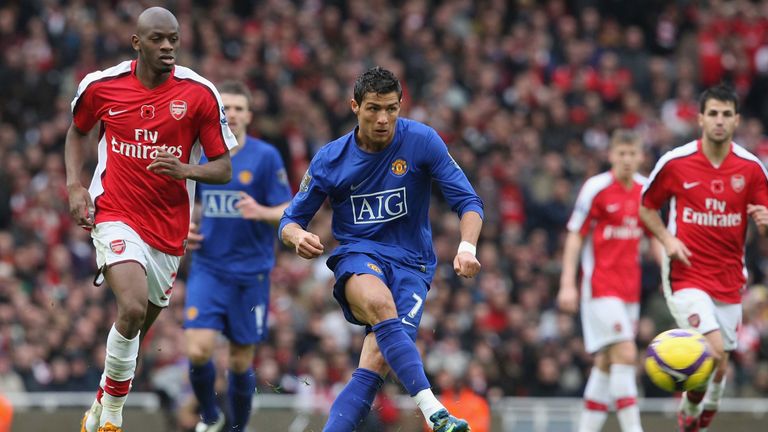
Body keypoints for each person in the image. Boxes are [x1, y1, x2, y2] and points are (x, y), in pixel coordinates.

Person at [279, 66, 483, 432]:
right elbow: (290, 220)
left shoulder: (423, 141)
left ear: (401, 105)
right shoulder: (330, 159)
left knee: (374, 362)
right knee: (379, 303)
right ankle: (434, 410)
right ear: (354, 106)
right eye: (373, 108)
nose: (383, 118)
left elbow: (468, 200)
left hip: (414, 266)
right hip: (359, 255)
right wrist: (297, 237)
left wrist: (466, 247)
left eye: (391, 108)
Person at [66, 7, 236, 432]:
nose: (168, 47)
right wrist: (74, 185)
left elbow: (223, 167)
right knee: (131, 306)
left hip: (168, 228)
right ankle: (113, 422)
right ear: (137, 42)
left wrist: (185, 170)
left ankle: (101, 404)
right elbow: (78, 130)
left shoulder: (199, 94)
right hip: (115, 212)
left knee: (136, 332)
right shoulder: (102, 86)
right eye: (158, 39)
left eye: (173, 40)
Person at [639, 83, 768, 432]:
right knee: (710, 350)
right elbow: (646, 208)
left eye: (727, 114)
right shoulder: (676, 162)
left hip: (729, 278)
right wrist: (667, 240)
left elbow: (764, 227)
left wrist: (765, 226)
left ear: (737, 120)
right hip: (686, 274)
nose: (720, 121)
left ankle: (695, 416)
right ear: (700, 118)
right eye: (713, 113)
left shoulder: (753, 169)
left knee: (720, 364)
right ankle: (692, 412)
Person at [183, 80, 292, 432]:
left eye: (238, 108)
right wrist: (183, 228)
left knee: (240, 362)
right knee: (198, 349)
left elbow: (289, 208)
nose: (231, 114)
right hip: (209, 268)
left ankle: (237, 429)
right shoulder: (201, 154)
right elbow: (181, 203)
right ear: (217, 113)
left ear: (248, 114)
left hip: (251, 274)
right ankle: (210, 418)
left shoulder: (265, 157)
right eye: (225, 108)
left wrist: (261, 211)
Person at [558, 129, 653, 432]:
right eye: (621, 153)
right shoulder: (595, 188)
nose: (626, 159)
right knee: (626, 352)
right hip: (599, 287)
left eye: (632, 154)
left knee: (607, 361)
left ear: (640, 156)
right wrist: (567, 284)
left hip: (630, 292)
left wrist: (671, 274)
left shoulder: (646, 190)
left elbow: (658, 235)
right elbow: (575, 235)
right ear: (611, 155)